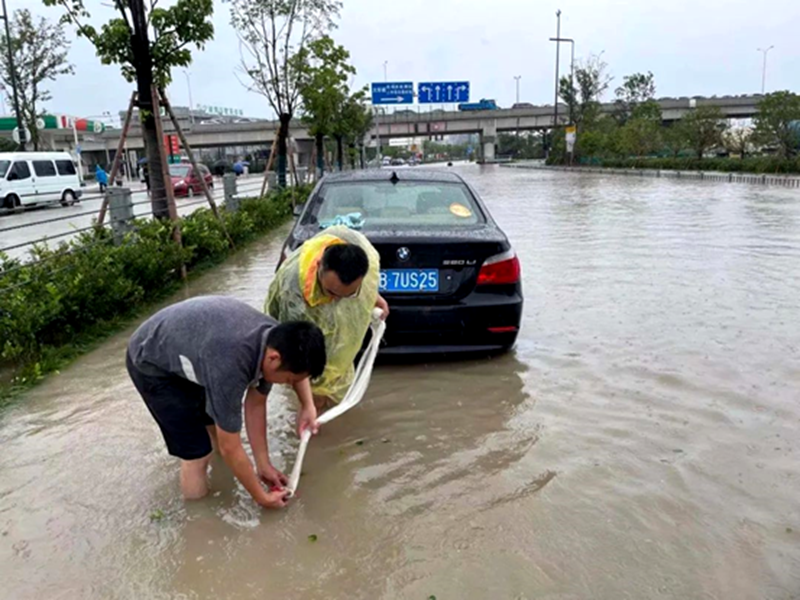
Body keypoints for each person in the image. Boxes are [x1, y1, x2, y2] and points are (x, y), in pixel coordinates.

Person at [126, 295, 326, 509]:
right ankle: (199, 519)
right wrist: (262, 498)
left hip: (194, 350)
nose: (288, 384)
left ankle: (222, 478)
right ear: (274, 359)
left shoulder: (277, 340)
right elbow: (230, 446)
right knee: (198, 454)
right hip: (151, 364)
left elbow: (256, 403)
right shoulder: (231, 366)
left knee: (216, 429)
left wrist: (263, 464)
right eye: (288, 380)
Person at [266, 226, 389, 410]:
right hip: (300, 317)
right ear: (319, 266)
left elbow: (366, 285)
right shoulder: (293, 293)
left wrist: (373, 298)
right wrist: (309, 403)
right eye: (331, 292)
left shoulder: (364, 253)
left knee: (337, 367)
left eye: (347, 294)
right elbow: (297, 354)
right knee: (314, 387)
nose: (337, 300)